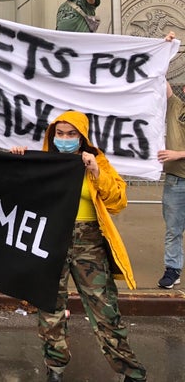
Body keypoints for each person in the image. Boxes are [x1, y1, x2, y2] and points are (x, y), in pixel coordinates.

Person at [11, 110, 146, 382]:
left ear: (82, 137)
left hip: (89, 244)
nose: (64, 139)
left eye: (71, 134)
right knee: (50, 311)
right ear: (52, 135)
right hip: (51, 241)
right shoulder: (43, 163)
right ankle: (55, 369)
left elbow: (118, 201)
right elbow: (20, 196)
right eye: (59, 134)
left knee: (105, 311)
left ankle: (130, 372)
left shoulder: (97, 163)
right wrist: (17, 162)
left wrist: (96, 171)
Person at [157, 80, 185, 289]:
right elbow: (161, 77)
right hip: (176, 180)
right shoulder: (176, 106)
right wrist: (161, 47)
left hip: (177, 174)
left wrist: (179, 154)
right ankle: (172, 269)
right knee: (173, 229)